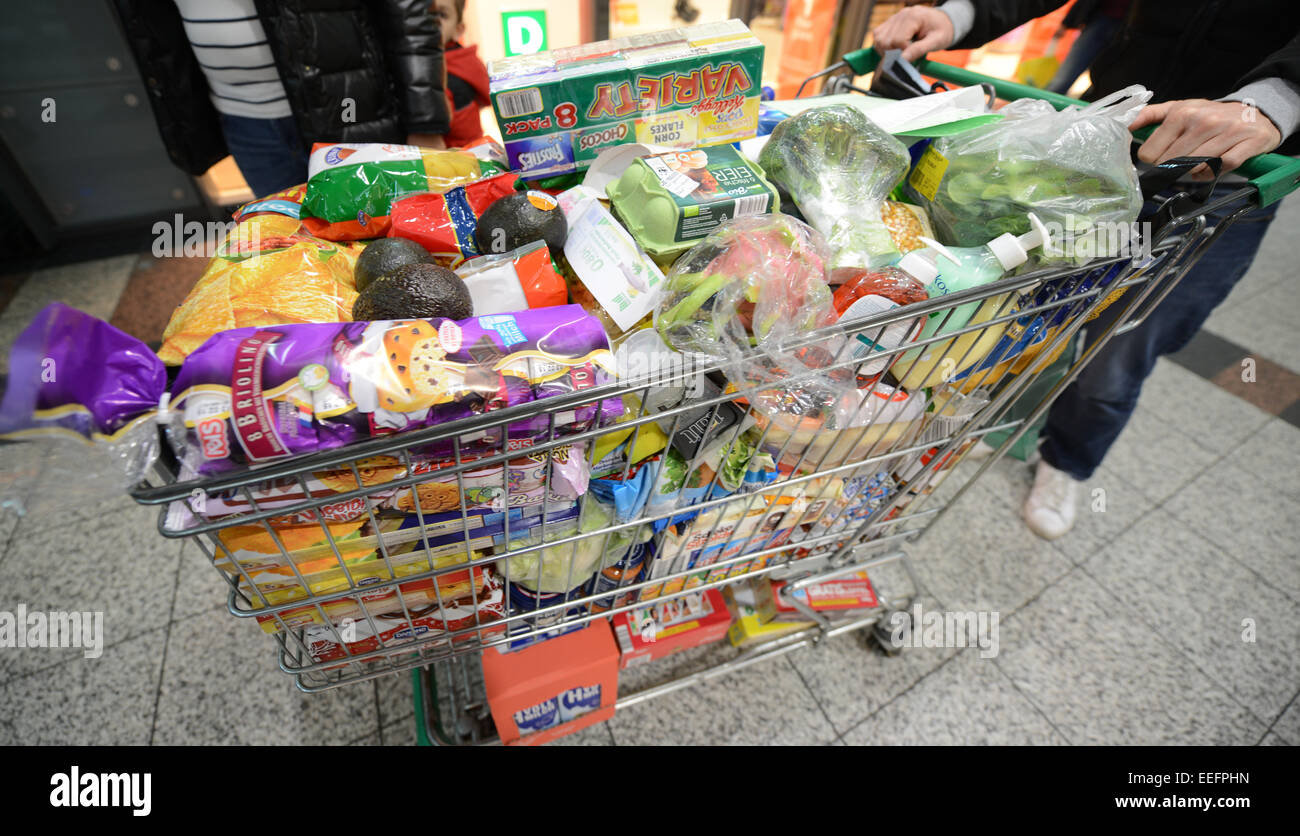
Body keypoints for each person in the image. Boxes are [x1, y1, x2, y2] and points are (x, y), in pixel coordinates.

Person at [874, 0, 1300, 539]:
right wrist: (964, 14)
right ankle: (992, 416)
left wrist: (1275, 99)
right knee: (1015, 311)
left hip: (1224, 184)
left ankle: (1067, 461)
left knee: (1117, 354)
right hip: (1093, 150)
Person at [114, 0, 453, 198]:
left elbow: (408, 14)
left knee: (388, 249)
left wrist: (425, 121)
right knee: (295, 252)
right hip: (244, 121)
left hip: (351, 107)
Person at [431, 0, 491, 147]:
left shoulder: (462, 61)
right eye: (425, 13)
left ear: (458, 30)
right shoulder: (466, 59)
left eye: (441, 15)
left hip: (464, 150)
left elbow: (488, 94)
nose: (432, 21)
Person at [1044, 0, 1131, 95]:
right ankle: (1043, 105)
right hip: (1099, 20)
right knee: (1062, 80)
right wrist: (1066, 22)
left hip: (1128, 32)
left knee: (1105, 87)